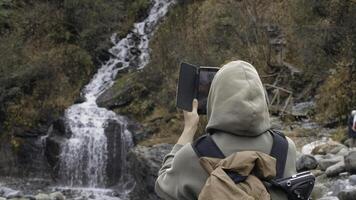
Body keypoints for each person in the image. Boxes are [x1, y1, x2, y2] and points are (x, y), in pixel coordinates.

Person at [155, 60, 297, 200]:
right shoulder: (287, 148)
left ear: (215, 98)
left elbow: (162, 187)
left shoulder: (192, 156)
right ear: (262, 95)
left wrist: (189, 128)